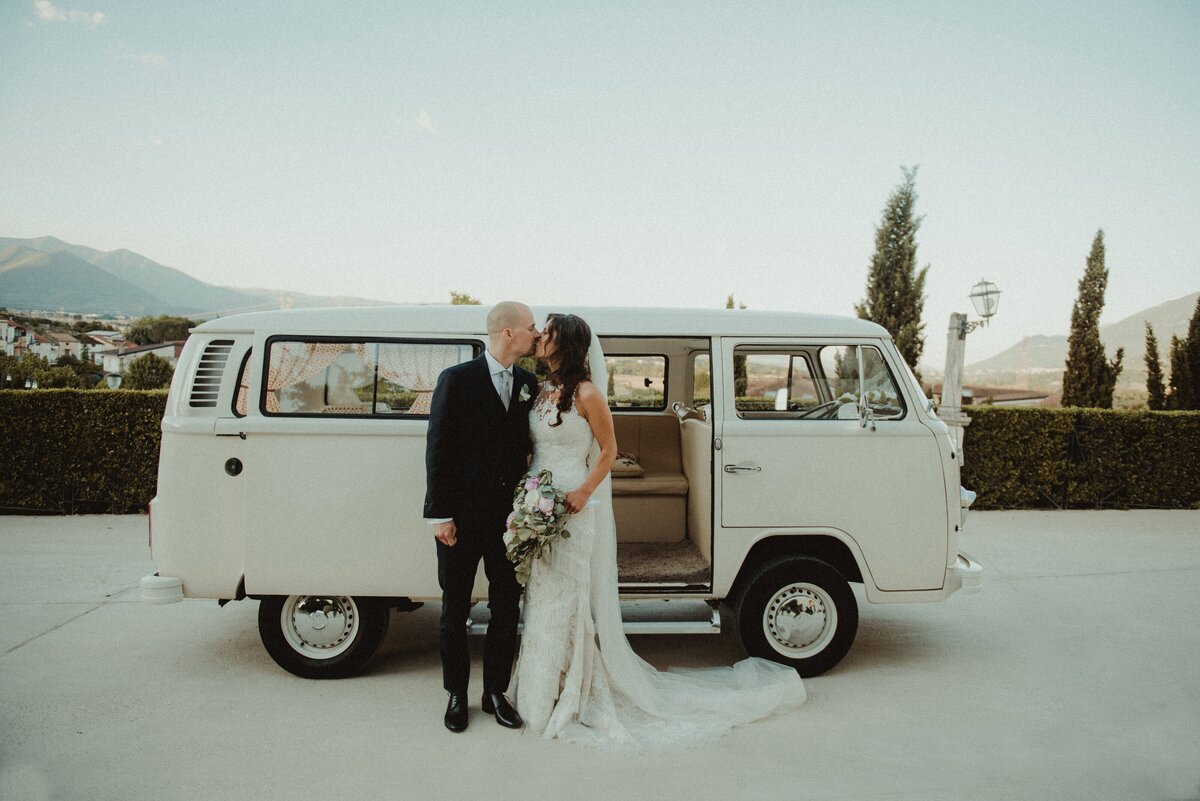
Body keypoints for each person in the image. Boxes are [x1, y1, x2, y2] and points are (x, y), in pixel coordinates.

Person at [509, 313, 806, 748]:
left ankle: (572, 691)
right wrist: (529, 496)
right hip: (541, 498)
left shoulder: (588, 393)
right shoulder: (541, 391)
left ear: (565, 344)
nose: (540, 336)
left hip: (573, 504)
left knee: (571, 598)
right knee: (542, 595)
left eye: (547, 332)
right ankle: (540, 692)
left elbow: (609, 450)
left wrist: (582, 493)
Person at [424, 301, 540, 733]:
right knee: (455, 608)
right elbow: (438, 449)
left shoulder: (528, 382)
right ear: (508, 333)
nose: (537, 334)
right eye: (531, 327)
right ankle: (456, 694)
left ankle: (496, 691)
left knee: (506, 606)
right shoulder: (455, 380)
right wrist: (440, 515)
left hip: (512, 521)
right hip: (460, 519)